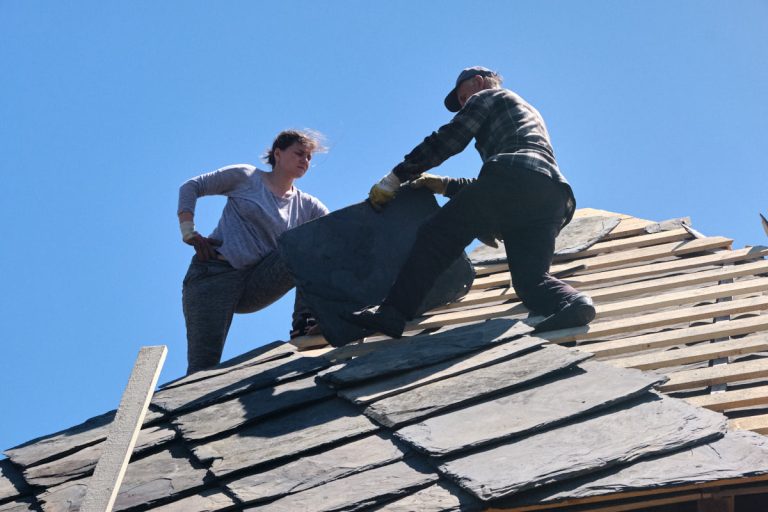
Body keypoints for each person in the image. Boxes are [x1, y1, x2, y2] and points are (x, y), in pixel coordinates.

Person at [346, 66, 595, 338]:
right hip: (551, 197)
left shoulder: (488, 97)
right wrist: (442, 185)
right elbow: (500, 182)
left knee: (438, 235)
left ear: (478, 82)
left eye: (463, 98)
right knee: (531, 283)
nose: (464, 105)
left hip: (513, 180)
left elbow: (450, 139)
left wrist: (396, 176)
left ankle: (392, 314)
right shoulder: (525, 114)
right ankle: (575, 303)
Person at [178, 129, 329, 374]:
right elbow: (192, 186)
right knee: (202, 368)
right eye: (299, 153)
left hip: (256, 282)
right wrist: (188, 230)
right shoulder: (247, 177)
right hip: (213, 276)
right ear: (278, 154)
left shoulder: (308, 205)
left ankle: (305, 325)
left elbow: (336, 235)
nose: (305, 161)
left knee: (308, 244)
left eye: (310, 158)